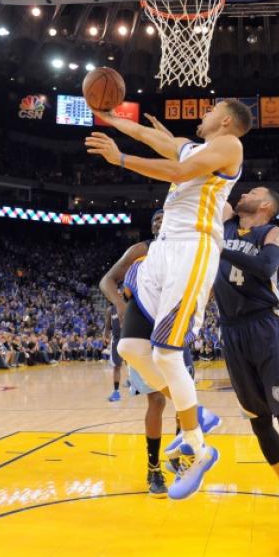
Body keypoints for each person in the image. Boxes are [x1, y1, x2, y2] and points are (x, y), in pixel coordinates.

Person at [86, 103, 251, 499]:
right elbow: (152, 136)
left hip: (192, 249)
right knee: (130, 346)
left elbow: (177, 171)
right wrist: (111, 118)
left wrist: (119, 157)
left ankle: (197, 445)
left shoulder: (230, 146)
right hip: (162, 250)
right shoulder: (194, 147)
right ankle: (194, 412)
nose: (204, 114)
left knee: (166, 354)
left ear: (226, 119)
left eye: (212, 109)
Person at [212, 187, 279, 555]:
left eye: (252, 191)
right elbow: (209, 178)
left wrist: (218, 247)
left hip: (265, 326)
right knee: (257, 420)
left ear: (266, 205)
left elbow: (268, 266)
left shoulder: (270, 233)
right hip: (230, 329)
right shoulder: (223, 223)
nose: (244, 193)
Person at [99, 210, 170, 497]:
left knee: (182, 397)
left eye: (164, 217)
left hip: (172, 329)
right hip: (141, 330)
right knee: (157, 399)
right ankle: (154, 468)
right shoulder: (141, 250)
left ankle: (182, 456)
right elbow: (107, 280)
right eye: (154, 218)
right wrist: (119, 303)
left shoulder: (186, 250)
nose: (158, 221)